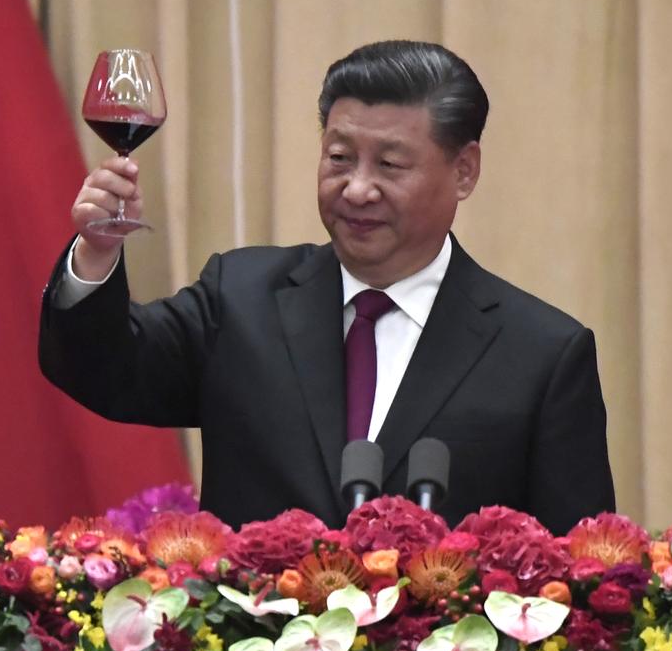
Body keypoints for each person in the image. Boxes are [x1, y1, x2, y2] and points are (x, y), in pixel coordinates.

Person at [39, 40, 614, 535]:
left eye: (390, 166)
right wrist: (97, 252)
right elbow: (102, 370)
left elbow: (577, 575)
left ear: (464, 171)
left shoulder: (541, 354)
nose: (357, 189)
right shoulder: (240, 298)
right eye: (339, 158)